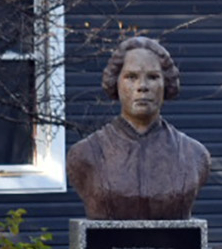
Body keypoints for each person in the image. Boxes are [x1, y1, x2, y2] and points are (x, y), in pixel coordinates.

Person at [65, 36, 212, 219]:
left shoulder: (194, 154)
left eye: (152, 77)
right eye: (131, 77)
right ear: (115, 83)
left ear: (166, 83)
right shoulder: (85, 154)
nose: (142, 87)